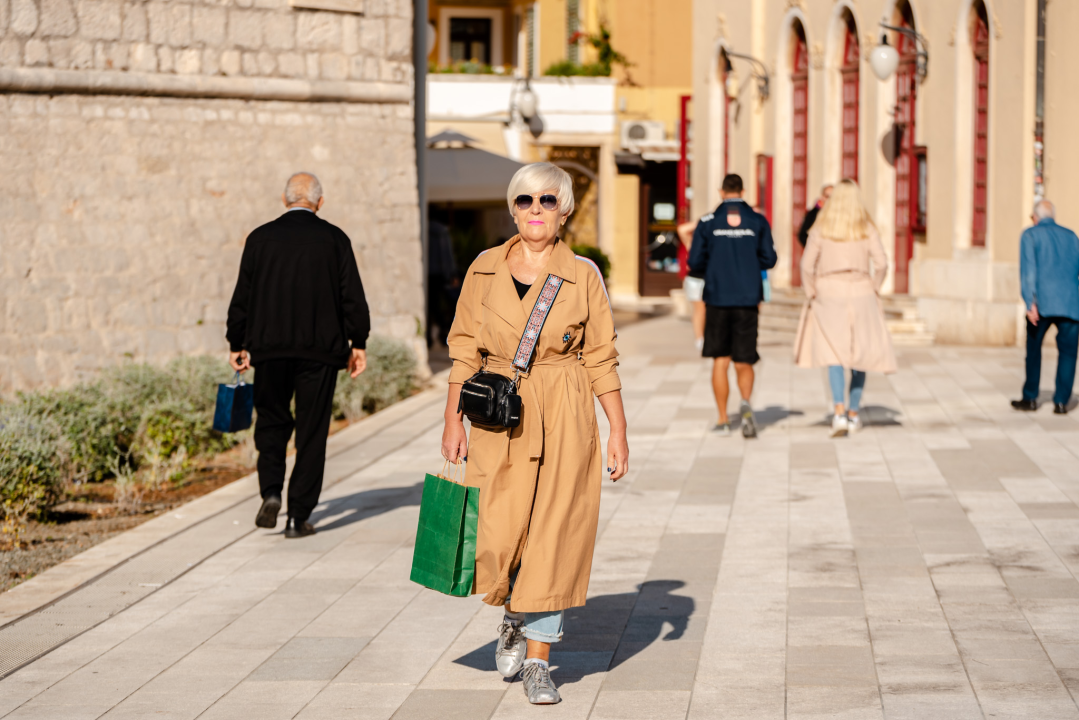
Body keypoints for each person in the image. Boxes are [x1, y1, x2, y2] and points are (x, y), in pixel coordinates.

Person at [441, 162, 629, 705]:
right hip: (500, 414)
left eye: (548, 201)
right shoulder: (482, 269)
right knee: (498, 532)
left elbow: (601, 357)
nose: (536, 211)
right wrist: (452, 419)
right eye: (525, 201)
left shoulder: (584, 275)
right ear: (512, 208)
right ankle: (515, 614)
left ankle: (541, 661)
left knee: (554, 532)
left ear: (565, 210)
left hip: (566, 410)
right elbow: (462, 350)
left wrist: (617, 428)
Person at [226, 173, 370, 538]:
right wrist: (359, 342)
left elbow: (242, 295)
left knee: (272, 424)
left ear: (284, 199)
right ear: (320, 202)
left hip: (269, 351)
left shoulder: (259, 239)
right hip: (319, 354)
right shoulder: (335, 240)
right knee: (312, 432)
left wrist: (236, 343)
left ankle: (272, 490)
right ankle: (297, 516)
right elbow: (351, 295)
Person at [793, 179, 896, 436]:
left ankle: (838, 412)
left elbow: (806, 265)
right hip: (861, 288)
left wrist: (811, 290)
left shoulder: (822, 227)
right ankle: (853, 412)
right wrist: (874, 286)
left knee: (835, 354)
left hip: (829, 290)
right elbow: (882, 263)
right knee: (859, 352)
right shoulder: (866, 227)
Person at [687, 173, 778, 437]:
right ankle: (747, 403)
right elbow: (769, 258)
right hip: (748, 299)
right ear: (744, 190)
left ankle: (724, 418)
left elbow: (695, 261)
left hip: (717, 297)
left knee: (720, 359)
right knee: (744, 359)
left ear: (720, 191)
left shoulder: (707, 222)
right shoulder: (758, 221)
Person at [1012, 199, 1079, 414]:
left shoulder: (1030, 234)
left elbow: (1028, 270)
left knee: (1033, 349)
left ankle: (1030, 397)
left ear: (1036, 217)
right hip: (1070, 304)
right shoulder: (1072, 236)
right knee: (1068, 353)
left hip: (1042, 304)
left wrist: (1030, 302)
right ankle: (1061, 402)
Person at [677, 220, 706, 350]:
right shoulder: (692, 241)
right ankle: (699, 339)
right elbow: (682, 229)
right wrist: (701, 221)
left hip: (709, 279)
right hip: (695, 279)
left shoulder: (712, 241)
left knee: (708, 310)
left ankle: (705, 336)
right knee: (699, 310)